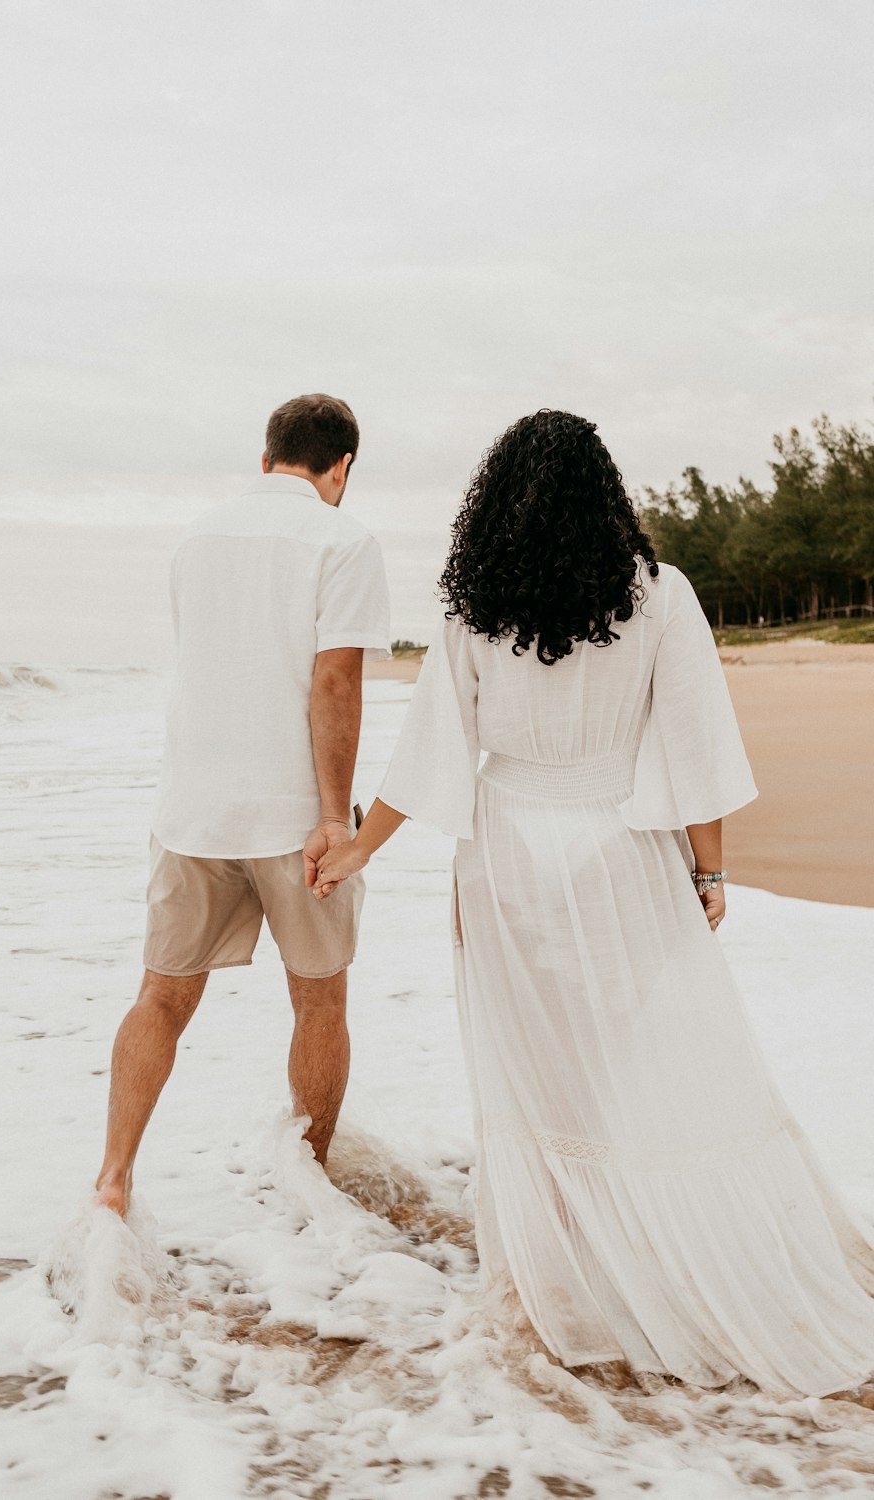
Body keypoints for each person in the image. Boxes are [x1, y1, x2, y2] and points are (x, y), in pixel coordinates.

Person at [313, 408, 874, 1398]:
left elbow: (431, 755)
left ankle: (562, 1280)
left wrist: (361, 847)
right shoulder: (660, 595)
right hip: (624, 846)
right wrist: (708, 874)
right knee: (629, 1058)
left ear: (497, 500)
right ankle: (651, 1261)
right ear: (604, 494)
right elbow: (696, 746)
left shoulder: (472, 605)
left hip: (509, 850)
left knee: (535, 1072)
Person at [95, 394, 391, 1218]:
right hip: (292, 815)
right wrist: (337, 817)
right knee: (320, 997)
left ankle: (113, 1180)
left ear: (266, 461)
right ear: (342, 468)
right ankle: (308, 1184)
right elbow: (334, 680)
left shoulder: (197, 538)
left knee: (160, 996)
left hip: (190, 810)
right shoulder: (345, 538)